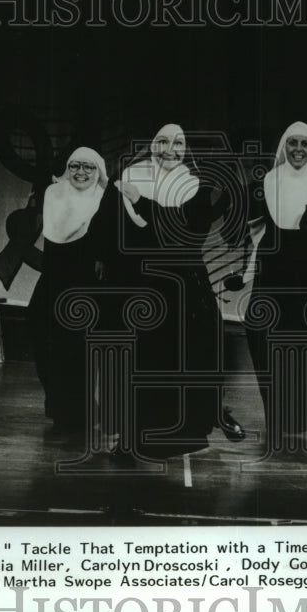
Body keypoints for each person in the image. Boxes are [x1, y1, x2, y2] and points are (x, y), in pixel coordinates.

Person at [99, 123, 234, 460]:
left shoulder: (195, 186)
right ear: (152, 144)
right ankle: (134, 439)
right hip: (142, 285)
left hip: (184, 287)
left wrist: (142, 203)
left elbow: (186, 234)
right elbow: (114, 234)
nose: (170, 149)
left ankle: (192, 428)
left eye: (178, 143)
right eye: (162, 141)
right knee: (144, 364)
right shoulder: (131, 176)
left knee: (189, 358)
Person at [242, 121, 307, 442]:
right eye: (292, 143)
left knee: (298, 349)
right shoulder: (268, 181)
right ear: (284, 146)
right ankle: (275, 412)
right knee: (260, 337)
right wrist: (248, 271)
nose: (298, 149)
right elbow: (258, 233)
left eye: (305, 144)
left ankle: (293, 419)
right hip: (270, 274)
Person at [28, 146, 108, 435]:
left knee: (77, 350)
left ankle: (80, 412)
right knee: (40, 335)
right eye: (75, 166)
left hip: (87, 284)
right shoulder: (54, 193)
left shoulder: (105, 199)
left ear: (98, 170)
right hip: (53, 280)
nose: (81, 172)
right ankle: (59, 404)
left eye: (88, 167)